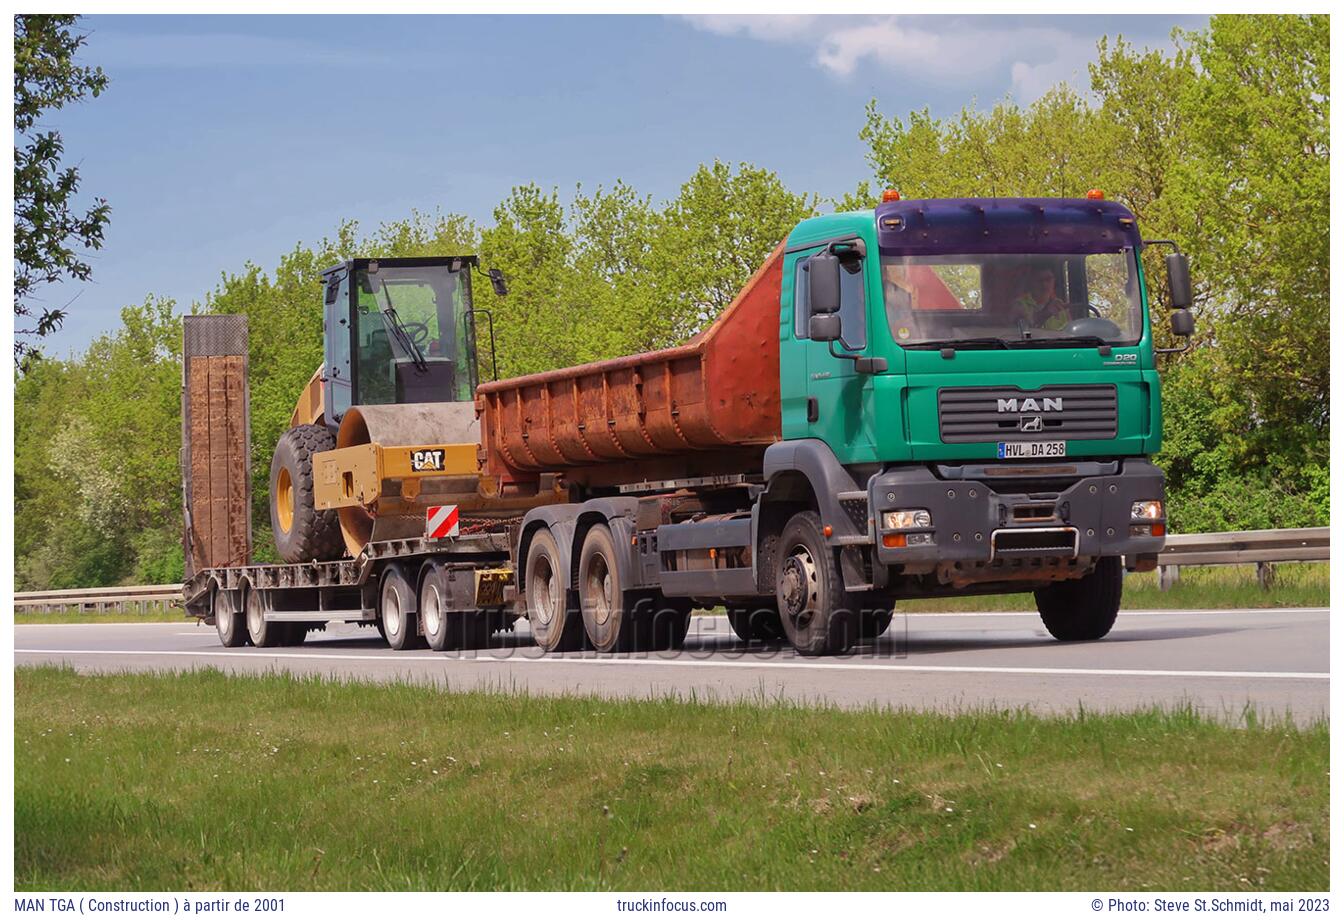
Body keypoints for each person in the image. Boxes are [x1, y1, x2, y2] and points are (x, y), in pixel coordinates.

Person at [1012, 265, 1069, 330]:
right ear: (1031, 282)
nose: (1044, 285)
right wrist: (1043, 314)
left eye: (1048, 279)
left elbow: (1070, 331)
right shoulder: (1019, 304)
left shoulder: (1059, 304)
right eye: (1039, 280)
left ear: (1054, 281)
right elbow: (1018, 332)